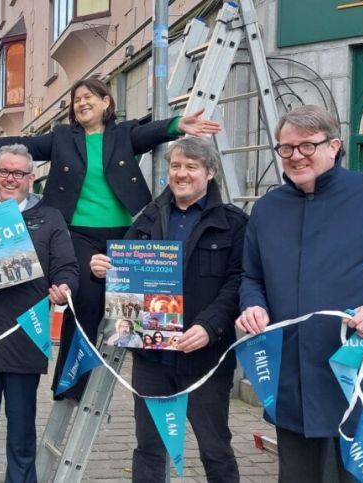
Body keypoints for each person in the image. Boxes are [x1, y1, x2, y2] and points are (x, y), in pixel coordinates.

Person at [0, 77, 220, 400]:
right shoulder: (63, 137)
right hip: (78, 233)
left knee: (138, 304)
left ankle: (153, 382)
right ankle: (70, 382)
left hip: (123, 233)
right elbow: (24, 143)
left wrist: (177, 125)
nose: (82, 103)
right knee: (84, 301)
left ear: (106, 102)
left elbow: (152, 132)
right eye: (76, 100)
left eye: (89, 97)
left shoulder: (123, 133)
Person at [235, 105, 363, 482]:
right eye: (286, 148)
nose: (295, 156)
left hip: (356, 371)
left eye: (307, 146)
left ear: (334, 146)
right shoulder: (266, 209)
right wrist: (253, 305)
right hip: (291, 376)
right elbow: (251, 277)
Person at [91, 136, 246, 482]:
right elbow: (125, 274)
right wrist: (105, 268)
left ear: (209, 172)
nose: (181, 173)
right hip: (152, 360)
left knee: (215, 448)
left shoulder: (233, 223)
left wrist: (210, 326)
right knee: (149, 447)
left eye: (191, 166)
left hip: (205, 357)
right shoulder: (147, 218)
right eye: (175, 166)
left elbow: (239, 282)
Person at [0, 144, 78, 483]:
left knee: (22, 439)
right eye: (4, 172)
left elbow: (67, 267)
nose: (10, 178)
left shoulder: (49, 218)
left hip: (25, 339)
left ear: (31, 178)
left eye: (18, 173)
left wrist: (63, 288)